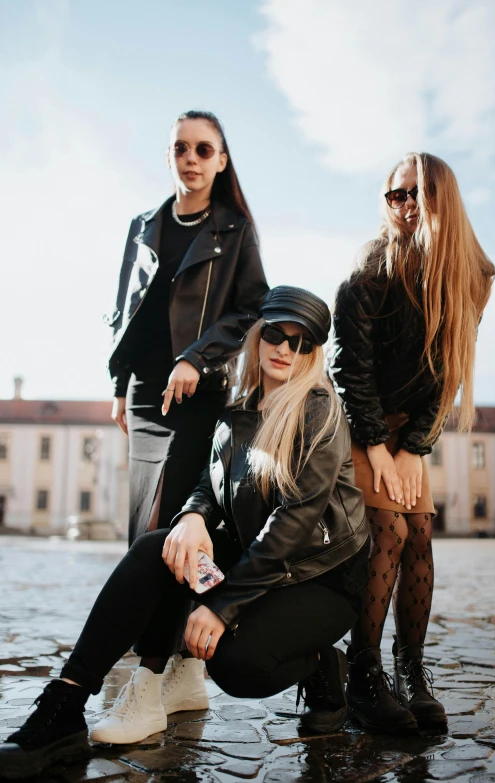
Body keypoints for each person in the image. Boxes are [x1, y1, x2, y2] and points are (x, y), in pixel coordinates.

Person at [0, 286, 369, 780]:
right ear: (260, 336)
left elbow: (297, 520)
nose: (285, 349)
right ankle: (63, 703)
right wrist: (192, 517)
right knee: (159, 547)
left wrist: (221, 605)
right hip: (263, 566)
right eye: (277, 335)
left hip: (321, 575)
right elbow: (208, 486)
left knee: (236, 664)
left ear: (313, 353)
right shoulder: (239, 411)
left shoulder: (319, 408)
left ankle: (322, 662)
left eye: (302, 343)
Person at [104, 110, 268, 729]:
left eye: (204, 149)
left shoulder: (235, 230)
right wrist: (119, 384)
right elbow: (125, 312)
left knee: (172, 527)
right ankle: (184, 673)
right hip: (146, 397)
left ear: (221, 160)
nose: (191, 158)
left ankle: (149, 679)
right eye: (180, 148)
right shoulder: (143, 226)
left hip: (199, 397)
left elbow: (253, 306)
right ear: (170, 155)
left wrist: (197, 358)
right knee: (140, 527)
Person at [331, 152, 495, 732]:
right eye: (394, 195)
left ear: (440, 201)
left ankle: (410, 671)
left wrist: (414, 447)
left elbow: (449, 373)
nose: (403, 207)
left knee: (422, 536)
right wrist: (378, 445)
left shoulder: (473, 274)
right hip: (356, 416)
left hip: (409, 430)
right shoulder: (371, 267)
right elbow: (349, 365)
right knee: (389, 532)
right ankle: (363, 676)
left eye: (415, 195)